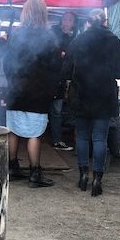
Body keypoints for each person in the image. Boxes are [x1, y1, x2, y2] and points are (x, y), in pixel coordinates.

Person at [63, 9, 120, 196]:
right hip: (103, 96)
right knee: (100, 138)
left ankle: (83, 175)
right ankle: (97, 179)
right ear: (105, 21)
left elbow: (66, 70)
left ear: (88, 22)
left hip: (81, 95)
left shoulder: (77, 41)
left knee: (83, 136)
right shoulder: (114, 41)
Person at [3, 0, 59, 188]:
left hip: (16, 90)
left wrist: (12, 81)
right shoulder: (49, 36)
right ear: (43, 13)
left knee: (13, 129)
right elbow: (55, 67)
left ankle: (12, 167)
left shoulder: (16, 34)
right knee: (35, 133)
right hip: (38, 92)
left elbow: (7, 63)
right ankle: (35, 173)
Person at [50, 12, 78, 151]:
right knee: (46, 109)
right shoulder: (54, 31)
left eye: (70, 20)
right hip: (48, 76)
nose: (66, 21)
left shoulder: (75, 37)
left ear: (74, 23)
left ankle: (57, 140)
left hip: (62, 78)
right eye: (65, 18)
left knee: (57, 110)